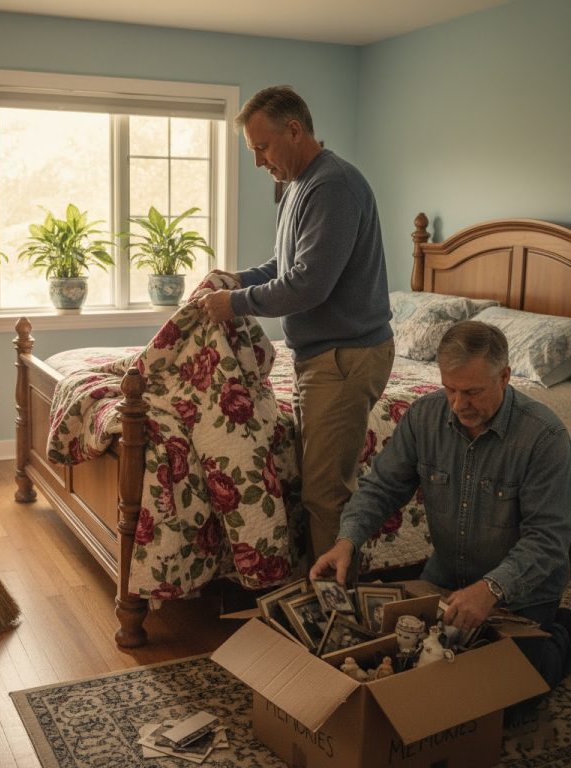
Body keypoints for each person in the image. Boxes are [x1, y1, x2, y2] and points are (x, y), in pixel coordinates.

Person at [311, 320, 571, 698]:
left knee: (503, 698)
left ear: (505, 377)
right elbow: (381, 487)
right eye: (449, 389)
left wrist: (492, 589)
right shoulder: (424, 417)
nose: (458, 404)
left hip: (520, 595)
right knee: (403, 672)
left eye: (472, 392)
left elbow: (549, 539)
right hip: (444, 580)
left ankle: (561, 631)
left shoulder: (545, 437)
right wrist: (346, 541)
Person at [197, 85, 394, 562]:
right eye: (253, 151)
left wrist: (235, 303)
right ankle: (315, 593)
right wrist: (235, 280)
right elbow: (285, 266)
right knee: (315, 486)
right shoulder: (296, 185)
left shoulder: (333, 186)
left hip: (344, 358)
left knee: (326, 494)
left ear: (295, 130)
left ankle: (332, 615)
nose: (259, 161)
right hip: (317, 356)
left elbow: (308, 285)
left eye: (262, 147)